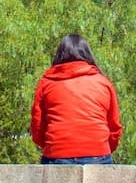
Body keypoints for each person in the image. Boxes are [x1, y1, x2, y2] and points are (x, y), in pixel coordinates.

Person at [28, 34, 123, 165]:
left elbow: (37, 129)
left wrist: (55, 147)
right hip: (98, 155)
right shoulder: (103, 83)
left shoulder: (46, 83)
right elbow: (114, 128)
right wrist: (101, 149)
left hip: (57, 156)